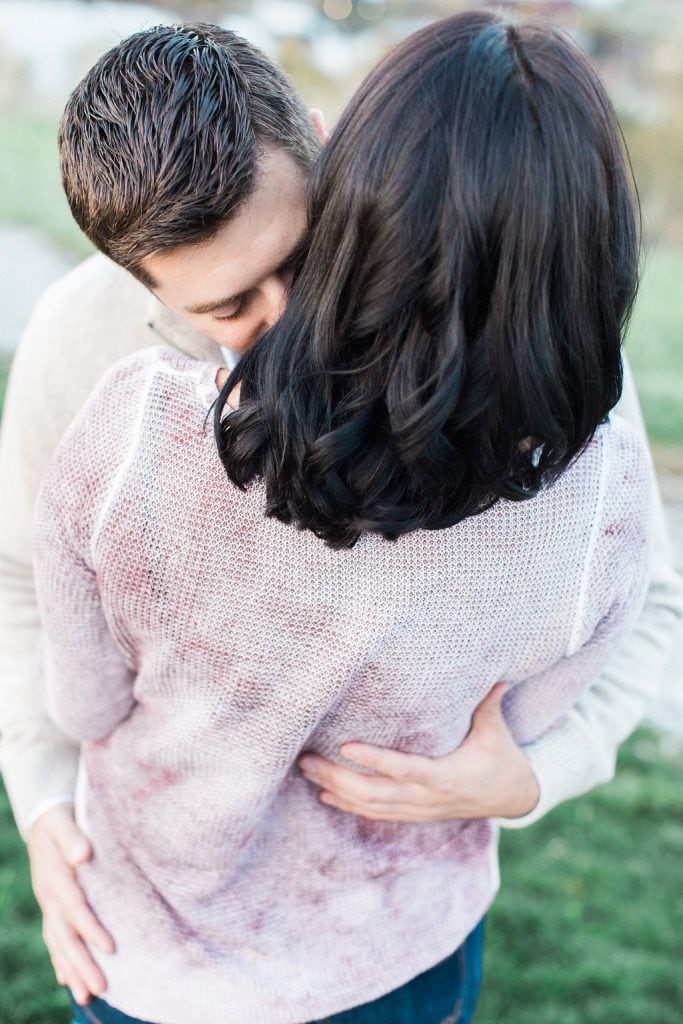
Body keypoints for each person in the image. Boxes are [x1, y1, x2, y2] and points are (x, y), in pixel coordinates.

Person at [0, 14, 680, 1014]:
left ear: (325, 148)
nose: (289, 328)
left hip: (400, 945)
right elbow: (20, 573)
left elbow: (643, 599)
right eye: (231, 304)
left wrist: (529, 777)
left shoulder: (508, 343)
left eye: (305, 259)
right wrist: (45, 802)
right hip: (153, 946)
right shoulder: (80, 344)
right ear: (138, 280)